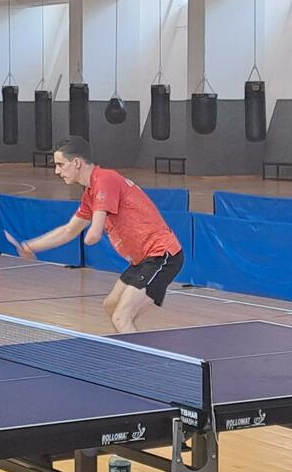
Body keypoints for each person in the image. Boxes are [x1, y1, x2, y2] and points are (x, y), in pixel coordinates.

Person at [15, 136, 183, 333]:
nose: (57, 171)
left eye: (60, 165)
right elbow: (69, 230)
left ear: (77, 162)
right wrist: (31, 246)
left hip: (162, 255)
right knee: (111, 305)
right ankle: (134, 343)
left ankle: (139, 352)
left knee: (121, 317)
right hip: (142, 260)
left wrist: (89, 237)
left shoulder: (104, 179)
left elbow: (93, 234)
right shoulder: (90, 193)